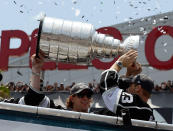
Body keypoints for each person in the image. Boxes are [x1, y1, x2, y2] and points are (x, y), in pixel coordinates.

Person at [15, 52, 93, 113]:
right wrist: (36, 68)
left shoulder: (99, 117)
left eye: (88, 95)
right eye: (81, 95)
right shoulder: (60, 115)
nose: (85, 98)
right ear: (72, 98)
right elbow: (34, 99)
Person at [95, 50, 155, 121]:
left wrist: (119, 64)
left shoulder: (138, 107)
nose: (127, 86)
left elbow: (109, 90)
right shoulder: (144, 109)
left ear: (138, 88)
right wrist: (129, 74)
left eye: (130, 84)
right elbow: (122, 94)